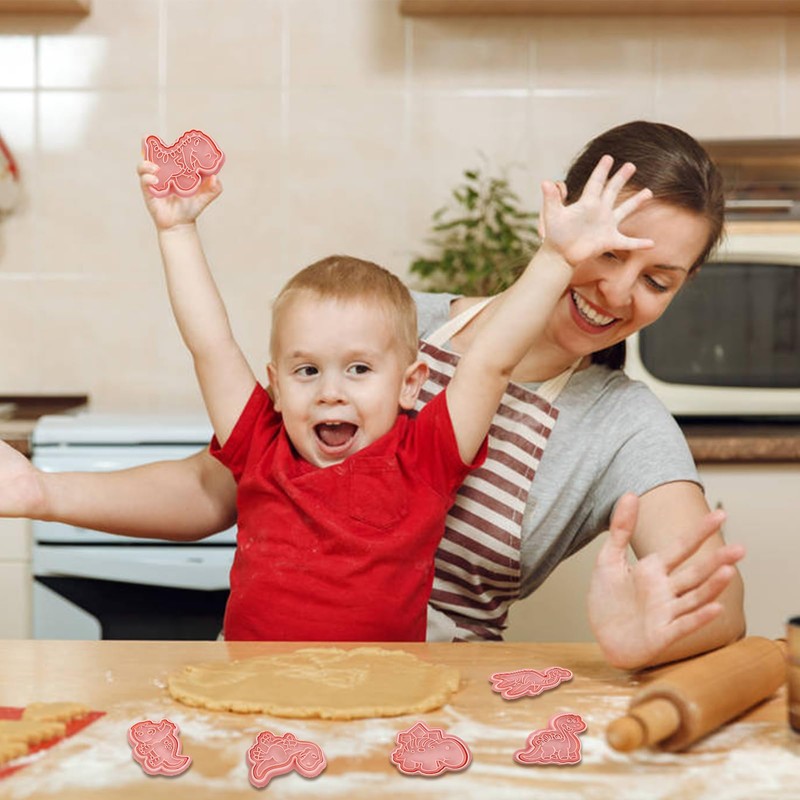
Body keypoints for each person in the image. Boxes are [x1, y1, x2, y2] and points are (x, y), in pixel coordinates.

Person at [0, 121, 745, 668]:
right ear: (560, 217)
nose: (617, 290)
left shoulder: (622, 423)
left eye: (657, 280)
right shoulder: (387, 325)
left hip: (428, 696)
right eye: (609, 250)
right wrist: (40, 491)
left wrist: (653, 634)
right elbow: (221, 477)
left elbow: (722, 602)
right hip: (261, 676)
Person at [134, 147, 651, 643]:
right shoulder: (259, 446)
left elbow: (492, 361)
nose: (330, 393)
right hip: (251, 691)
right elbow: (211, 344)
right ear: (275, 386)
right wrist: (177, 231)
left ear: (410, 384)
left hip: (386, 697)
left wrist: (557, 260)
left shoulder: (424, 460)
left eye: (358, 369)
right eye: (307, 371)